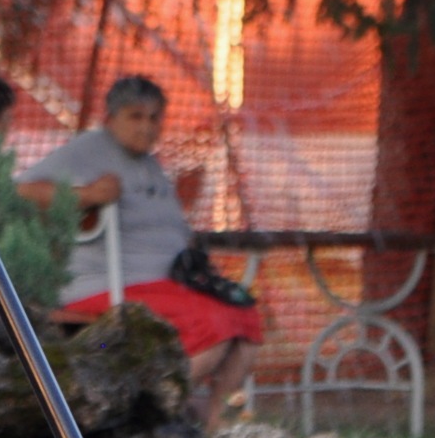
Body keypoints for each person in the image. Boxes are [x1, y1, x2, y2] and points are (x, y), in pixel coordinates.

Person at [20, 75, 263, 409]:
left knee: (245, 319)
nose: (147, 127)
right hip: (106, 286)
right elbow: (21, 191)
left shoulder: (149, 162)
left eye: (154, 118)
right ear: (110, 118)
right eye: (135, 117)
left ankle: (211, 422)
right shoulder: (89, 149)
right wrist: (87, 194)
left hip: (168, 285)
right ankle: (152, 413)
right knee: (213, 326)